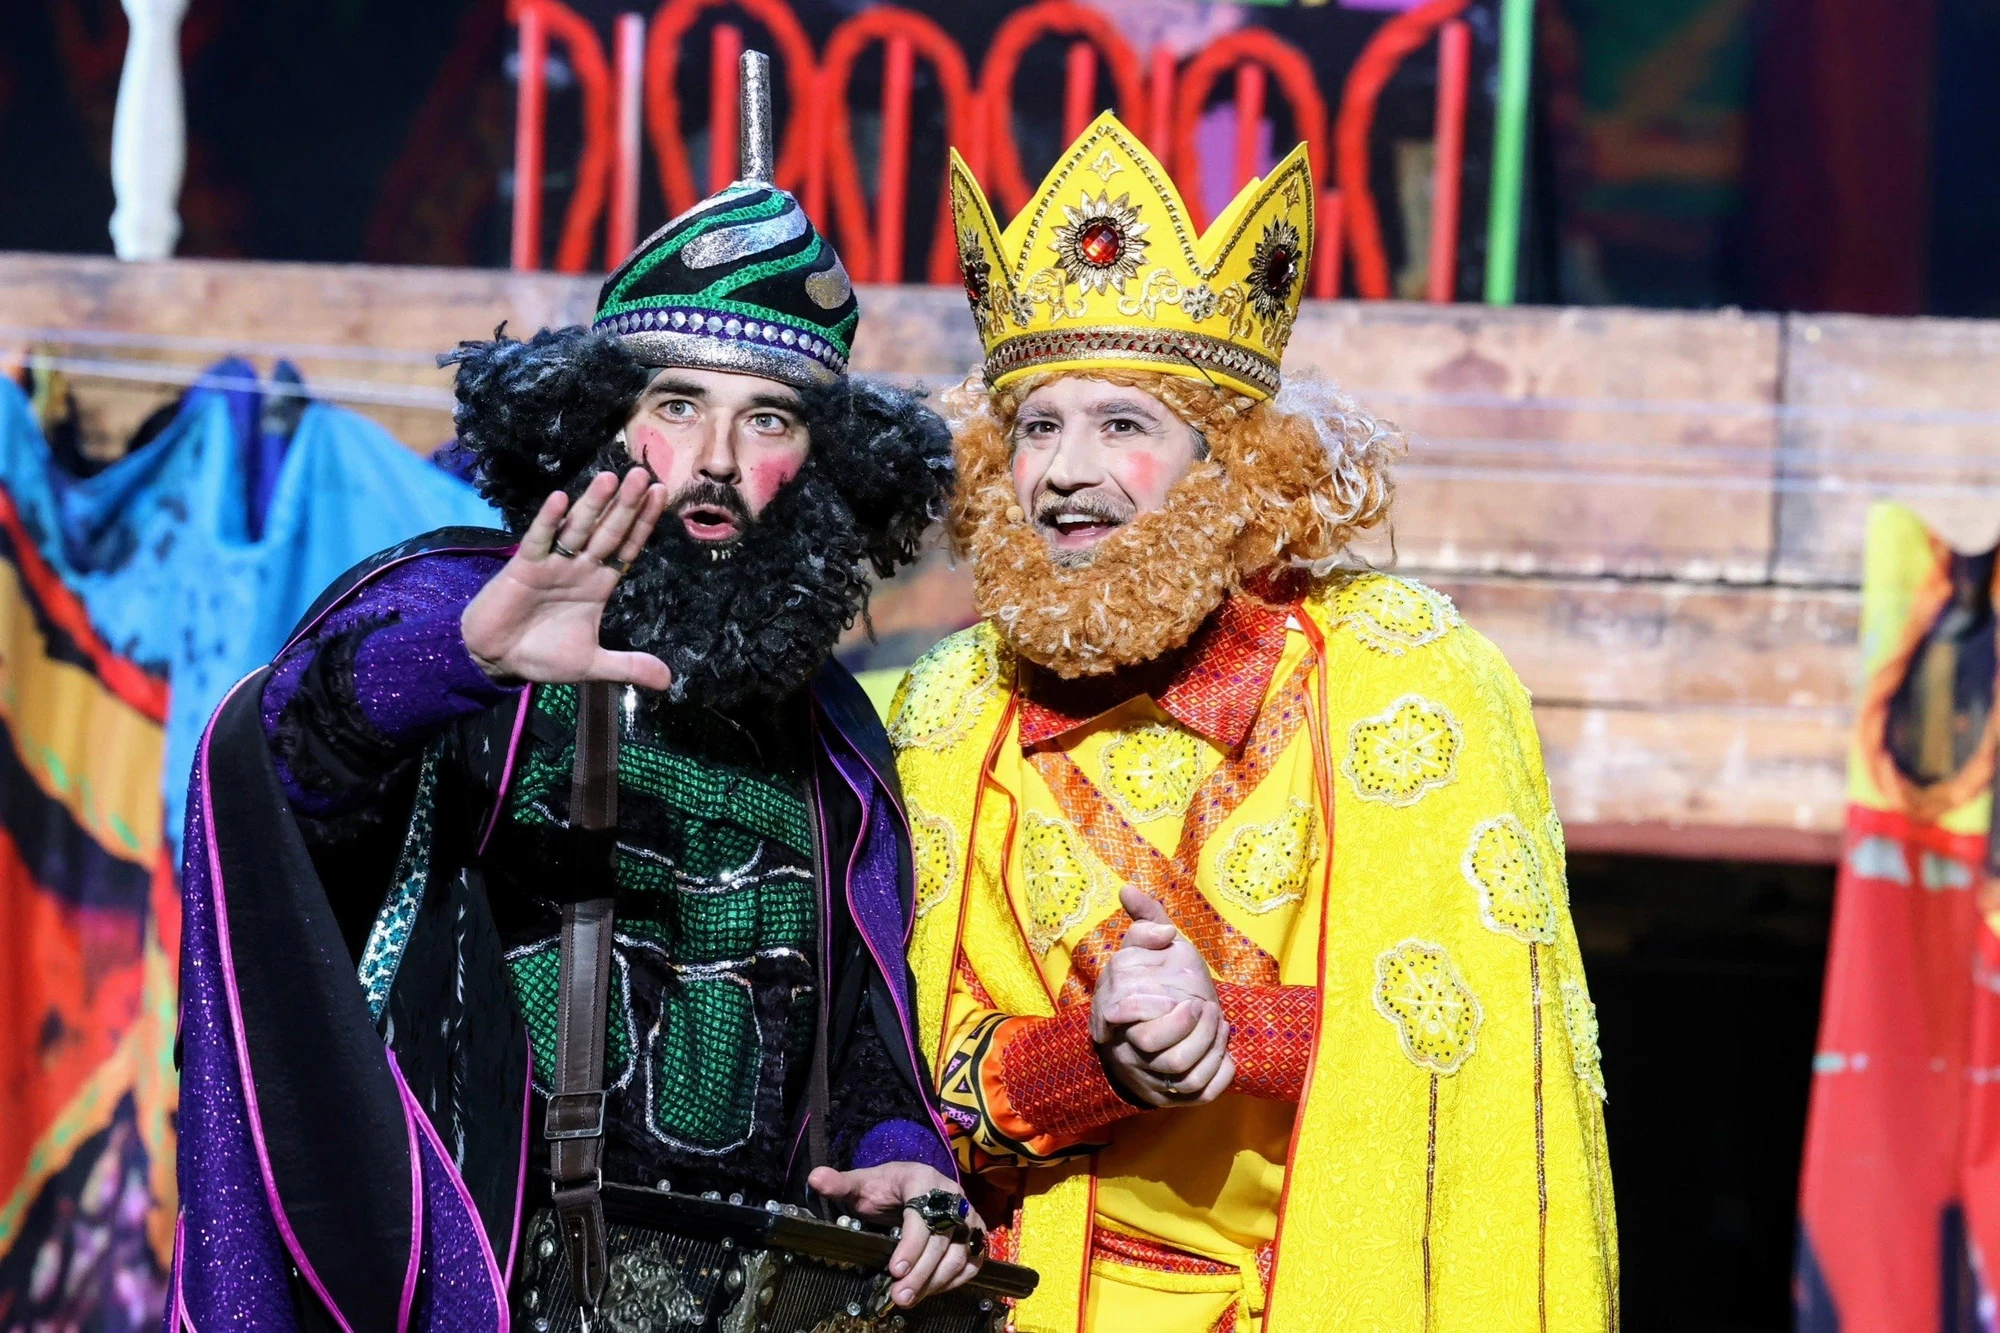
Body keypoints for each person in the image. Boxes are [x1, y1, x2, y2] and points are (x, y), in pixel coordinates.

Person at [171, 59, 984, 1332]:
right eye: (677, 404)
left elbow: (866, 1048)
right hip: (480, 1290)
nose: (714, 460)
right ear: (602, 420)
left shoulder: (832, 741)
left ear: (821, 464)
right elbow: (283, 778)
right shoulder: (463, 624)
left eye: (768, 420)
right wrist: (460, 655)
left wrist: (904, 1160)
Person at [893, 111, 1618, 1332]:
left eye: (1122, 425)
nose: (1062, 471)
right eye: (1036, 426)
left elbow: (1484, 1049)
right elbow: (907, 1089)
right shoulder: (950, 704)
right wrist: (1094, 1060)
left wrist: (1228, 1026)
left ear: (1231, 466)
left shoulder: (1401, 677)